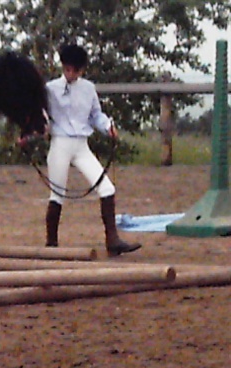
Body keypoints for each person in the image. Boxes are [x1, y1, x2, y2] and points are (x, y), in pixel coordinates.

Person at [44, 44, 141, 256]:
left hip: (81, 145)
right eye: (67, 69)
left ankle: (112, 240)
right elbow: (42, 117)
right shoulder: (50, 89)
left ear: (81, 70)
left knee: (107, 188)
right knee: (57, 194)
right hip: (60, 143)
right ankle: (51, 244)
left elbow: (95, 114)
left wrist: (108, 127)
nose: (70, 74)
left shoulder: (88, 88)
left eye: (74, 70)